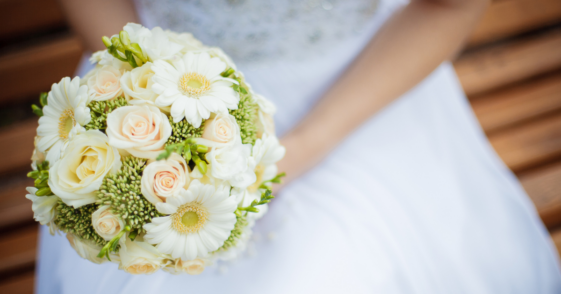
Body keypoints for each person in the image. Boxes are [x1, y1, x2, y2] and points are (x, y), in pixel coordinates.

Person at [37, 0, 561, 293]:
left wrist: (303, 145)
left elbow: (451, 7)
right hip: (155, 86)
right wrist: (145, 85)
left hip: (359, 87)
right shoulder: (145, 90)